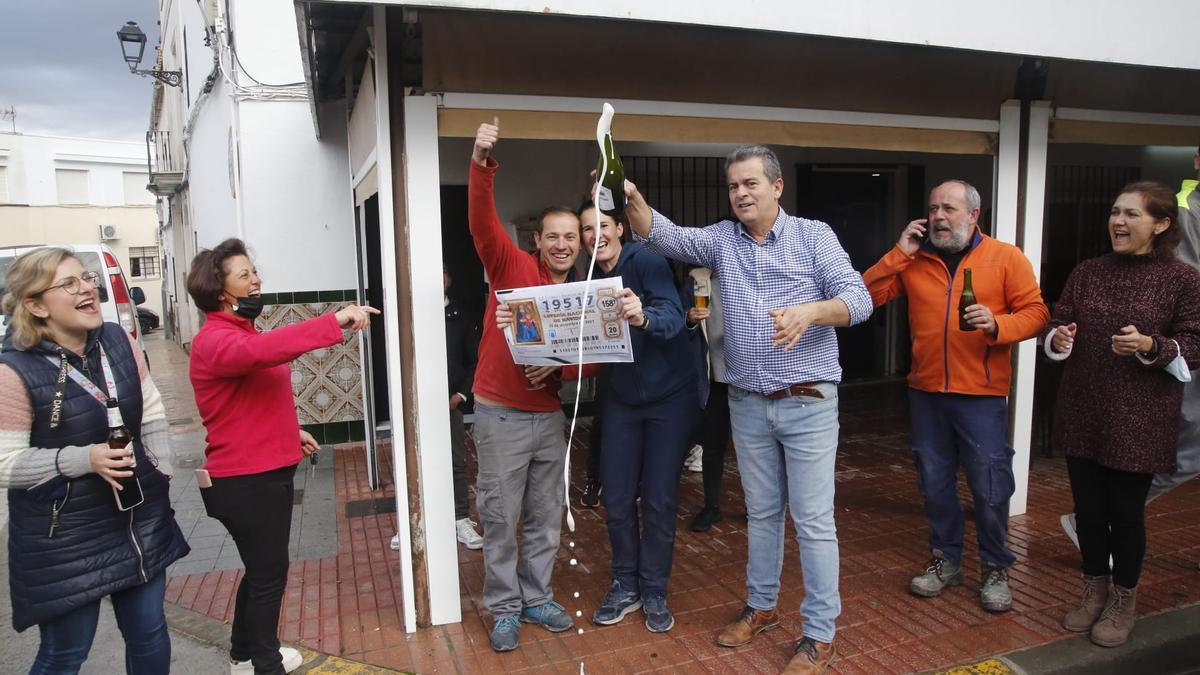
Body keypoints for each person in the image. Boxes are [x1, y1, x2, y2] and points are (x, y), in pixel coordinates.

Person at [625, 145, 873, 674]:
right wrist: (627, 192)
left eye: (751, 184)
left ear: (777, 187)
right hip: (747, 403)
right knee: (761, 515)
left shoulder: (814, 236)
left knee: (812, 521)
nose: (740, 193)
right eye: (734, 185)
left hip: (807, 400)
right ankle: (762, 607)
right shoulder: (720, 240)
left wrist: (811, 312)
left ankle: (820, 635)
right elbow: (660, 231)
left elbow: (860, 299)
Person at [186, 238, 378, 674]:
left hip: (261, 472)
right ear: (221, 292)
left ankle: (242, 656)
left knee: (260, 571)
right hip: (245, 481)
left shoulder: (239, 333)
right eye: (245, 275)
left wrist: (292, 433)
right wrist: (333, 321)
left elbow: (246, 401)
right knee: (269, 576)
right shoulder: (215, 340)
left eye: (255, 272)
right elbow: (261, 354)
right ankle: (265, 664)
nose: (257, 280)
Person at [862, 180, 1049, 612]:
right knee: (934, 483)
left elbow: (1037, 313)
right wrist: (898, 253)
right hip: (926, 392)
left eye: (949, 208)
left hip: (981, 394)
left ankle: (994, 566)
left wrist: (999, 324)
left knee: (988, 486)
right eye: (933, 209)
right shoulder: (914, 261)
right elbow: (865, 296)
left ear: (973, 215)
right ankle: (946, 560)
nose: (939, 217)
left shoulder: (1006, 257)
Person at [0, 247, 189, 674]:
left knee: (150, 634)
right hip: (64, 538)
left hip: (138, 519)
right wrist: (81, 459)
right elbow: (5, 463)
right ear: (34, 305)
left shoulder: (116, 340)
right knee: (66, 654)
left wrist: (158, 470)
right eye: (69, 284)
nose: (88, 288)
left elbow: (153, 406)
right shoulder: (13, 371)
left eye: (86, 278)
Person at [1046, 182, 1200, 648]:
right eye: (1115, 212)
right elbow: (1058, 321)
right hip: (1083, 408)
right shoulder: (1088, 272)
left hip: (1141, 417)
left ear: (1161, 224)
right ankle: (1093, 590)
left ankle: (1123, 600)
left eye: (1132, 214)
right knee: (1089, 512)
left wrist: (1153, 345)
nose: (1118, 221)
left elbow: (1194, 344)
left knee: (1125, 514)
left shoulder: (1183, 279)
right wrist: (1058, 338)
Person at [468, 118, 581, 652]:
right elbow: (483, 224)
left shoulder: (587, 294)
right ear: (537, 240)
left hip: (549, 419)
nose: (562, 245)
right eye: (552, 236)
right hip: (500, 416)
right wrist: (481, 165)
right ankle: (504, 607)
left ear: (582, 243)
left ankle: (537, 597)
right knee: (499, 516)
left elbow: (597, 360)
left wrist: (560, 368)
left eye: (571, 237)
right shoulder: (511, 267)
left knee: (544, 515)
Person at [574, 203, 696, 632]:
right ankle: (625, 584)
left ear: (620, 227)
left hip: (670, 397)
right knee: (618, 496)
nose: (595, 235)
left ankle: (654, 589)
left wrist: (642, 316)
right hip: (622, 399)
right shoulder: (582, 276)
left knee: (660, 499)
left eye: (602, 225)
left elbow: (671, 315)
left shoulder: (646, 259)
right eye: (586, 229)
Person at [686, 267, 735, 533]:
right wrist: (690, 319)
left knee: (754, 448)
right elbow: (680, 324)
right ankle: (711, 506)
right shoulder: (697, 282)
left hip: (747, 379)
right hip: (713, 377)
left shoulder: (750, 274)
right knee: (712, 447)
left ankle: (758, 507)